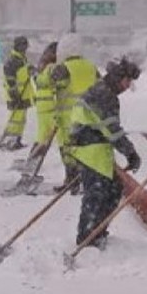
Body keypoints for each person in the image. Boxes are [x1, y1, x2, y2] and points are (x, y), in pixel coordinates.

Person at [68, 57, 142, 250]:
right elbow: (113, 130)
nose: (128, 86)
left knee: (112, 189)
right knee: (98, 193)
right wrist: (130, 152)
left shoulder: (103, 90)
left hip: (93, 146)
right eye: (128, 81)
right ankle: (87, 237)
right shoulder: (104, 95)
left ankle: (97, 231)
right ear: (119, 77)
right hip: (89, 147)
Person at [50, 32, 100, 193]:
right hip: (89, 117)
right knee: (85, 150)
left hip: (68, 118)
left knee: (68, 151)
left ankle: (71, 180)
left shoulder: (63, 69)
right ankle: (87, 181)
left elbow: (50, 84)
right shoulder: (91, 67)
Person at [0, 35, 34, 150]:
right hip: (17, 95)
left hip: (24, 94)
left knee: (21, 119)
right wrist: (14, 94)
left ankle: (16, 139)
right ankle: (11, 140)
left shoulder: (22, 59)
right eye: (24, 46)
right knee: (16, 119)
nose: (25, 49)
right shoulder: (13, 61)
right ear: (18, 46)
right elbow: (10, 79)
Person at [30, 41, 58, 153]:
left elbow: (37, 79)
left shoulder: (43, 64)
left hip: (42, 103)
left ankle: (34, 153)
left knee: (42, 132)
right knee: (54, 133)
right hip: (50, 103)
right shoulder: (52, 67)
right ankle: (36, 154)